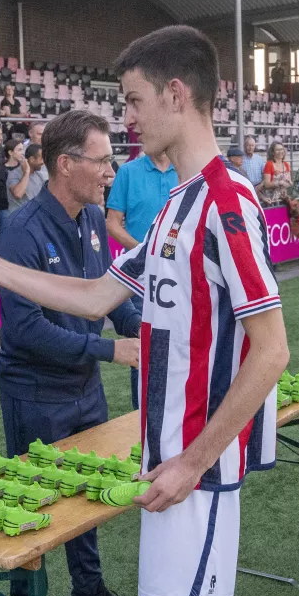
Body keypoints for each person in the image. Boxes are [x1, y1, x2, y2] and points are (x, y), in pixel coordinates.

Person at [0, 26, 289, 596]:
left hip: (195, 466)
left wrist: (192, 461)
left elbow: (271, 352)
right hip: (171, 458)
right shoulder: (178, 207)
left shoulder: (226, 202)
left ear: (176, 95)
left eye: (133, 101)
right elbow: (95, 299)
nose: (127, 120)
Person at [0, 110, 145, 596]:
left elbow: (110, 298)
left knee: (86, 496)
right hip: (35, 390)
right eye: (101, 160)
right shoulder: (21, 231)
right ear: (65, 164)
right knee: (36, 504)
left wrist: (145, 329)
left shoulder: (92, 219)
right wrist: (111, 350)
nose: (110, 171)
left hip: (82, 386)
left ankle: (89, 595)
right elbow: (26, 330)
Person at [106, 148, 178, 409]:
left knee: (182, 345)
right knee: (144, 347)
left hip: (181, 276)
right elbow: (112, 222)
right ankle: (142, 420)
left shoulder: (186, 169)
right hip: (139, 281)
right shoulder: (127, 172)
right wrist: (143, 252)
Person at [5, 142, 46, 213]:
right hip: (19, 218)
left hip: (35, 217)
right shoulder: (13, 174)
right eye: (41, 158)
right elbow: (18, 194)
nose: (43, 162)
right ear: (32, 159)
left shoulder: (40, 174)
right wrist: (26, 172)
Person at [260, 140, 292, 205]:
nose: (280, 152)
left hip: (282, 198)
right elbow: (266, 184)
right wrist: (279, 183)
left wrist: (289, 183)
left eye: (282, 149)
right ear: (273, 152)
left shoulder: (286, 164)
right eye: (277, 150)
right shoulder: (269, 164)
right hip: (270, 200)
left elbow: (289, 182)